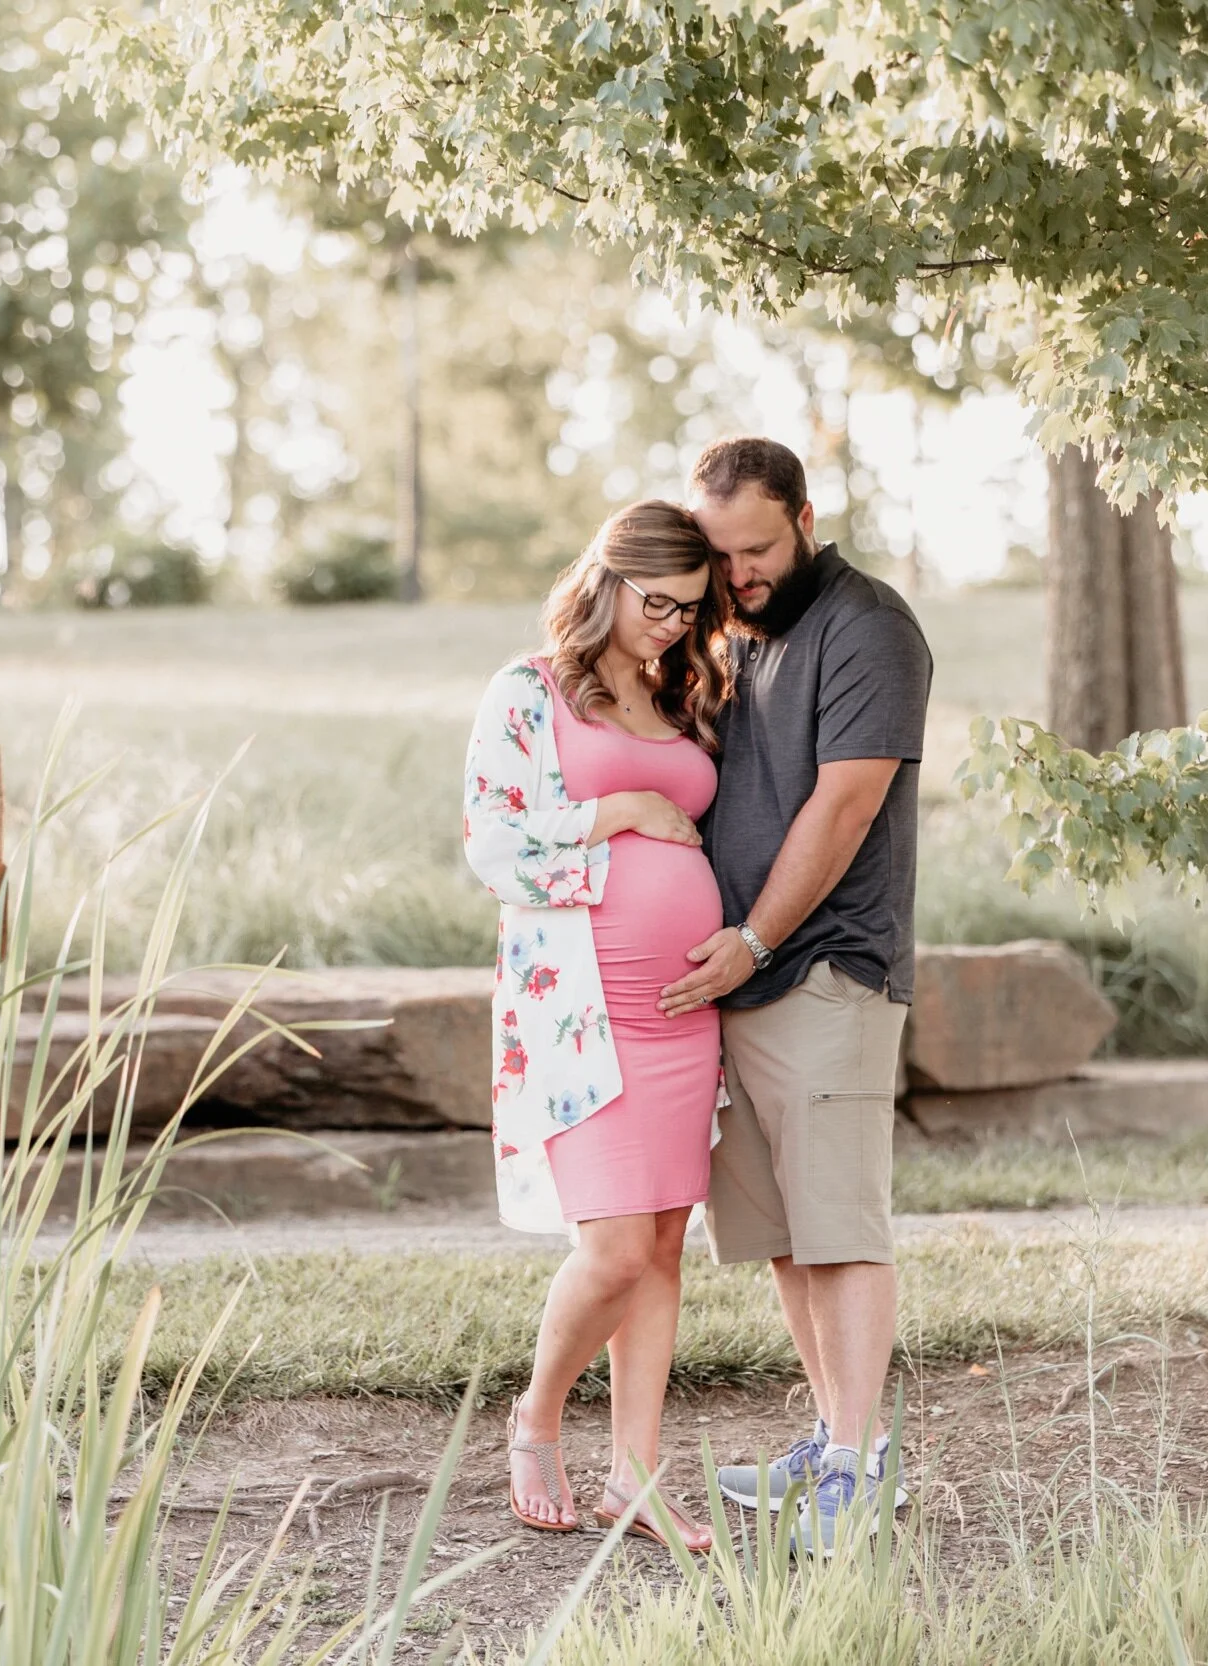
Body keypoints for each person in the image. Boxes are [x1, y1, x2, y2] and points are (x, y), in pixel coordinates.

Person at [658, 436, 934, 1556]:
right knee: (780, 1232)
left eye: (757, 547)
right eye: (719, 554)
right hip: (740, 981)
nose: (738, 572)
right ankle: (836, 1444)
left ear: (806, 516)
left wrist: (756, 935)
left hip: (825, 968)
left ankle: (857, 1467)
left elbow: (847, 801)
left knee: (839, 1226)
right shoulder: (732, 632)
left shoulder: (868, 628)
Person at [461, 499, 732, 1551]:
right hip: (579, 1009)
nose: (669, 623)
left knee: (663, 1241)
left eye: (688, 608)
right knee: (613, 1246)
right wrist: (613, 815)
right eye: (655, 601)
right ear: (605, 577)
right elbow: (495, 846)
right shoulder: (528, 690)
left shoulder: (681, 691)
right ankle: (534, 1415)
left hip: (681, 1018)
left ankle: (634, 1474)